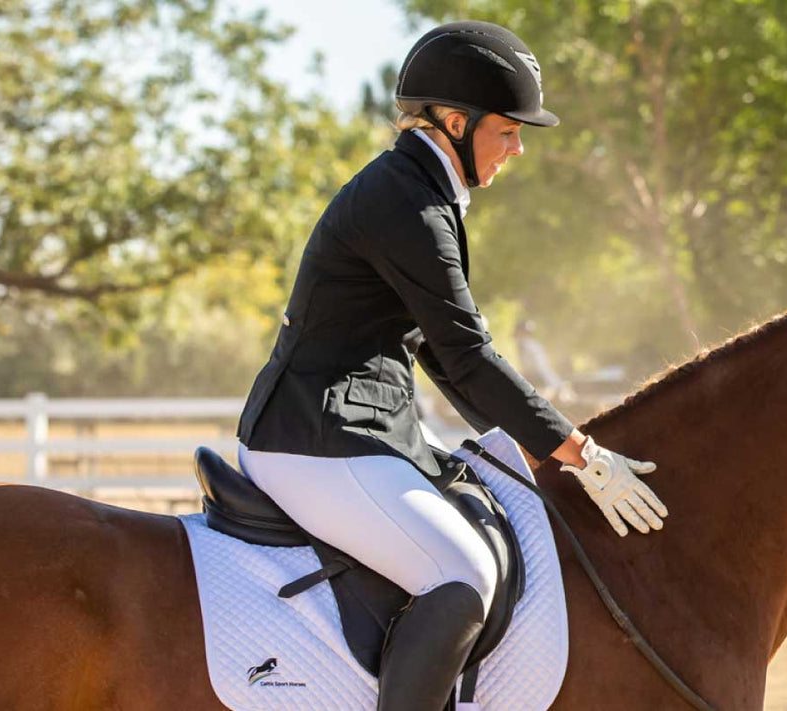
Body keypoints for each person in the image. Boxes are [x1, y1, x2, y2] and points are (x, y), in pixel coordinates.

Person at [233, 21, 668, 709]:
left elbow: (437, 351)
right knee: (459, 576)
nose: (518, 148)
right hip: (316, 439)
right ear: (456, 122)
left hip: (360, 427)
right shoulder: (407, 202)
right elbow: (466, 356)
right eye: (508, 130)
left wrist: (532, 447)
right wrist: (580, 452)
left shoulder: (421, 191)